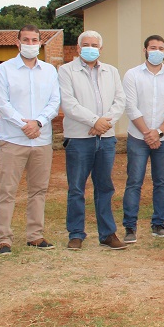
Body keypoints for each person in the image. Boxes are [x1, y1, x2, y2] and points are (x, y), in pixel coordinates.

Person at [0, 25, 60, 255]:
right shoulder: (4, 70)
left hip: (41, 140)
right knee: (7, 190)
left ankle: (35, 236)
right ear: (18, 43)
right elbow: (2, 104)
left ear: (40, 43)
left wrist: (38, 123)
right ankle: (4, 239)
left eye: (34, 40)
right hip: (13, 139)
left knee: (38, 190)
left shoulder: (49, 71)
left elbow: (54, 102)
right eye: (26, 40)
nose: (30, 44)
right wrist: (24, 125)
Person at [59, 30, 126, 250]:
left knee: (105, 187)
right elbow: (68, 104)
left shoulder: (111, 71)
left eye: (94, 45)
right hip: (79, 138)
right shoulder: (66, 71)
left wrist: (104, 123)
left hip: (105, 138)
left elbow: (120, 100)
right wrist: (94, 121)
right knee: (77, 188)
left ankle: (107, 233)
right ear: (78, 48)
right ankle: (76, 234)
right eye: (86, 45)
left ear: (100, 49)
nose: (90, 48)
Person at [121, 34, 164, 242]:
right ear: (145, 50)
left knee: (161, 182)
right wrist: (148, 133)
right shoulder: (132, 75)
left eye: (161, 48)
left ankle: (159, 224)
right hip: (138, 138)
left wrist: (159, 132)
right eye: (153, 48)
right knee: (134, 182)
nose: (157, 51)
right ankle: (130, 227)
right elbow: (130, 106)